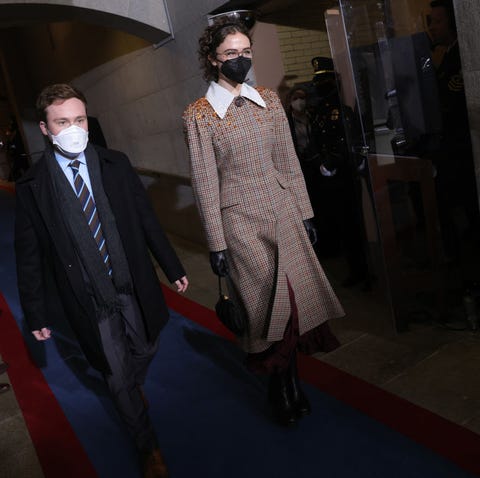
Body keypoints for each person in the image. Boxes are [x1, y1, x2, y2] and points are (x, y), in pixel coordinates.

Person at [14, 84, 188, 478]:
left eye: (79, 120)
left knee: (145, 346)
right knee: (116, 372)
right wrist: (35, 311)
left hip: (129, 281)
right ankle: (148, 446)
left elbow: (146, 219)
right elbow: (29, 256)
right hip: (88, 296)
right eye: (62, 122)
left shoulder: (116, 164)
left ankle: (131, 384)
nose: (73, 128)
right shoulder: (33, 187)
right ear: (44, 128)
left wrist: (171, 265)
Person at [183, 21, 344, 427]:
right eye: (231, 55)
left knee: (294, 304)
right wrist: (216, 243)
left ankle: (288, 384)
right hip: (240, 223)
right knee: (268, 309)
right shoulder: (199, 115)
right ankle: (280, 386)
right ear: (212, 59)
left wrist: (305, 213)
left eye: (246, 52)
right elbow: (205, 181)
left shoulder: (270, 100)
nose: (241, 61)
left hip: (284, 211)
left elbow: (288, 163)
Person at [429, 0, 480, 259]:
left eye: (438, 21)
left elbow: (452, 100)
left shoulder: (463, 53)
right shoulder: (441, 54)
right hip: (449, 147)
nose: (433, 27)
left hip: (466, 146)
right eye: (431, 21)